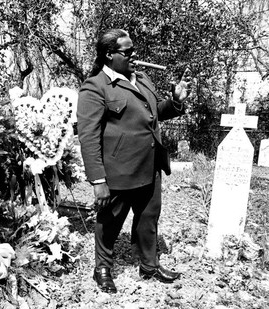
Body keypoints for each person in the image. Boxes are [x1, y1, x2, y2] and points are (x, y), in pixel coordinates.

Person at [76, 29, 192, 293]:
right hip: (119, 171)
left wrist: (175, 101)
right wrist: (98, 180)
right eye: (128, 52)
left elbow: (153, 115)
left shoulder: (142, 78)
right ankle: (102, 268)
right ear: (109, 55)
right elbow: (89, 137)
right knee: (110, 222)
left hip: (150, 166)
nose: (134, 55)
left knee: (149, 217)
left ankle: (149, 264)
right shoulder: (95, 87)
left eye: (133, 50)